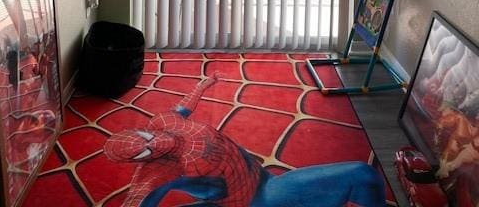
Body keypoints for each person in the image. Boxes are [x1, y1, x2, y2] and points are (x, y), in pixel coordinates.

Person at [104, 75, 385, 207]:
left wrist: (202, 85)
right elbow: (136, 200)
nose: (156, 143)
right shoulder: (157, 173)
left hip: (260, 177)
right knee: (363, 174)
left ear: (141, 130)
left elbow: (183, 107)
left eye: (145, 137)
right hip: (256, 198)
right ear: (140, 160)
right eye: (146, 152)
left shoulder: (163, 123)